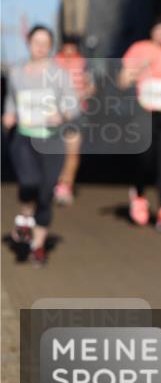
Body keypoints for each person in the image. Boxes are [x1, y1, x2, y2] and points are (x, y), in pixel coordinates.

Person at [2, 25, 80, 265]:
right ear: (29, 42)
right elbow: (11, 102)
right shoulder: (16, 73)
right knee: (29, 183)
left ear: (51, 46)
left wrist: (63, 115)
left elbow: (73, 106)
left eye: (46, 43)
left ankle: (37, 246)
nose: (41, 47)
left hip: (51, 140)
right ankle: (25, 218)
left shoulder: (59, 74)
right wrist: (8, 116)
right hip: (24, 138)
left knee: (45, 194)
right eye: (37, 42)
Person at [119, 18, 161, 232]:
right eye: (159, 29)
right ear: (151, 31)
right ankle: (138, 195)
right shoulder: (138, 48)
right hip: (143, 111)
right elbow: (122, 81)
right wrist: (139, 68)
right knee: (145, 157)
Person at [52, 34, 94, 206]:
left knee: (72, 152)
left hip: (76, 113)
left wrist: (80, 94)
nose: (69, 51)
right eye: (66, 47)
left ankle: (65, 186)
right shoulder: (52, 62)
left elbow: (91, 86)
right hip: (54, 114)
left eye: (73, 47)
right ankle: (53, 181)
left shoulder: (84, 63)